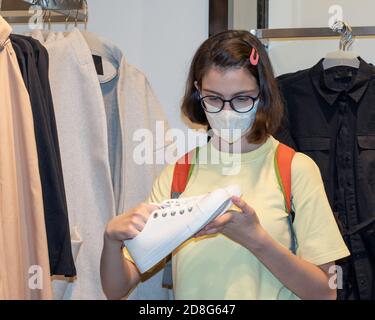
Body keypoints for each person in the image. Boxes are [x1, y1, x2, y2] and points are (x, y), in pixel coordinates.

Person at [100, 30, 350, 300]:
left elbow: (326, 291)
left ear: (263, 95)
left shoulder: (294, 169)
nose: (227, 111)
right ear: (198, 92)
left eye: (242, 99)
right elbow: (116, 288)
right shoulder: (179, 175)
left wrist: (255, 238)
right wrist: (111, 240)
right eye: (214, 99)